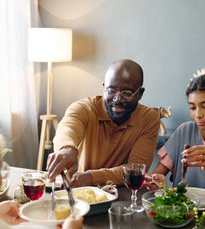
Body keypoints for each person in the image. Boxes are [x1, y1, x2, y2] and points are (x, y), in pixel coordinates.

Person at [47, 59, 160, 187]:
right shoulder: (84, 108)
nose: (118, 99)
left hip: (121, 196)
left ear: (140, 93)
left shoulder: (149, 119)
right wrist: (67, 149)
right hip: (79, 192)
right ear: (104, 88)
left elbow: (136, 169)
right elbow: (68, 128)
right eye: (111, 91)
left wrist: (92, 177)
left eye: (127, 93)